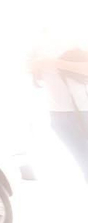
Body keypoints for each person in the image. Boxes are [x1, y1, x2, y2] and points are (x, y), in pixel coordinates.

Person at [32, 46, 88, 181]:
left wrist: (56, 64)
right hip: (59, 115)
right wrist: (38, 64)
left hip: (83, 108)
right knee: (83, 162)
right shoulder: (35, 45)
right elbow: (29, 71)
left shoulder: (71, 38)